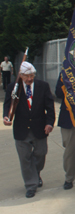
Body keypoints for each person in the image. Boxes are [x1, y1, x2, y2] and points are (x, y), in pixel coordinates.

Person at [3, 62, 55, 198]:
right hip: (21, 128)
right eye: (26, 76)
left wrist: (50, 123)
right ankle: (31, 185)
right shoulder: (13, 88)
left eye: (32, 75)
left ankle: (35, 173)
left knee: (41, 154)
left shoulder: (43, 86)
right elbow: (8, 104)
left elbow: (50, 106)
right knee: (25, 159)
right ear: (20, 76)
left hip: (40, 127)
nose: (29, 78)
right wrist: (6, 117)